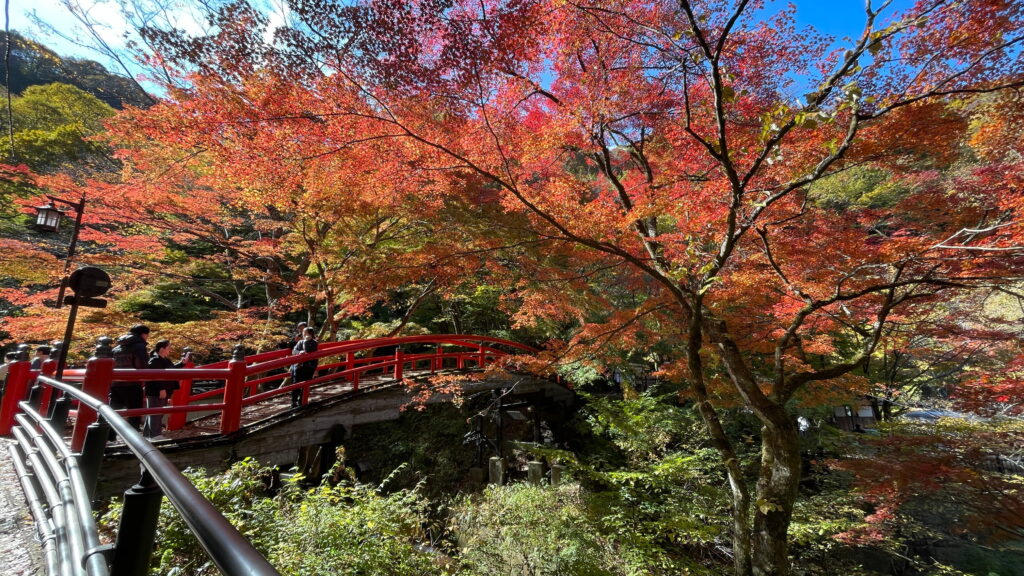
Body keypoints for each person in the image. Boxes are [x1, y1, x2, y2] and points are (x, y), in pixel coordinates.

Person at [144, 340, 190, 440]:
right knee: (156, 412)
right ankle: (155, 435)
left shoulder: (165, 359)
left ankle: (148, 434)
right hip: (156, 390)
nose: (170, 349)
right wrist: (161, 388)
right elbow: (155, 375)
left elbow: (172, 369)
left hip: (163, 390)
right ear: (162, 349)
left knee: (156, 412)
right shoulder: (155, 360)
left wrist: (181, 363)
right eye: (168, 347)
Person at [111, 324, 150, 431]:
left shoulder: (117, 347)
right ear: (143, 334)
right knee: (135, 411)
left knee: (114, 410)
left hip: (115, 383)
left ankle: (110, 435)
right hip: (132, 383)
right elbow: (142, 366)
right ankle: (134, 435)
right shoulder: (139, 347)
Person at [290, 326, 318, 408]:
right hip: (299, 366)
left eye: (305, 333)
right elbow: (293, 351)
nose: (303, 334)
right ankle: (293, 402)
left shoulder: (314, 343)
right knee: (296, 384)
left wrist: (306, 341)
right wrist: (299, 352)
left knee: (306, 384)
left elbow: (308, 351)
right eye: (303, 333)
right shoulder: (300, 342)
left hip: (309, 366)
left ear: (310, 334)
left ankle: (302, 400)